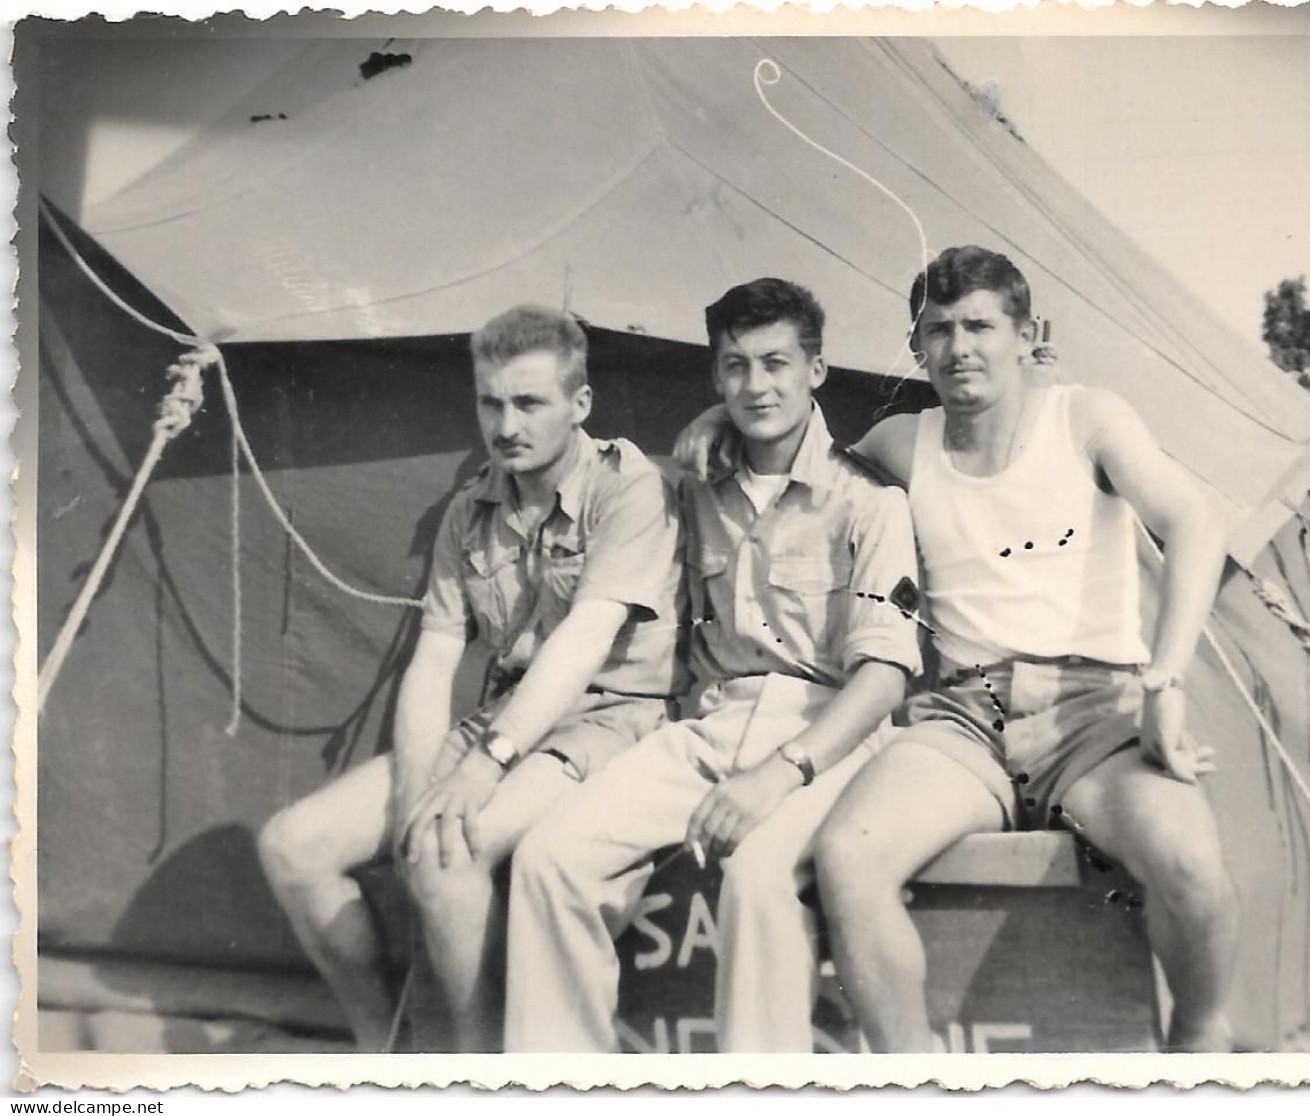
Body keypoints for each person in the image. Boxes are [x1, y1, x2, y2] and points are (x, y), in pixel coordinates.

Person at [676, 245, 1239, 1052]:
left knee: (1186, 859)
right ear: (916, 346)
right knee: (847, 858)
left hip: (1096, 710)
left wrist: (1166, 681)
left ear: (1027, 333)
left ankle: (1201, 1044)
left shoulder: (1085, 418)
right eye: (936, 330)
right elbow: (803, 452)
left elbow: (1194, 523)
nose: (957, 348)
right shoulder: (904, 442)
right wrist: (718, 418)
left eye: (978, 325)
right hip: (965, 717)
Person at [504, 278, 922, 1053]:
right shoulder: (693, 483)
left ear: (816, 370)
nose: (756, 386)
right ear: (714, 376)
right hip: (709, 726)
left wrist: (781, 773)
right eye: (734, 366)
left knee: (759, 880)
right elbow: (604, 478)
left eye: (775, 363)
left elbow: (885, 676)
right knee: (549, 861)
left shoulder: (869, 502)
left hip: (827, 737)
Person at [256, 305, 687, 1052]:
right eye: (491, 402)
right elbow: (436, 649)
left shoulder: (628, 489)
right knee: (294, 847)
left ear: (578, 404)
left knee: (448, 848)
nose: (506, 423)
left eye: (529, 403)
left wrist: (483, 769)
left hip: (610, 720)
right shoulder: (470, 510)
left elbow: (586, 639)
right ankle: (383, 1053)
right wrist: (418, 784)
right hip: (511, 714)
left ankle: (479, 1072)